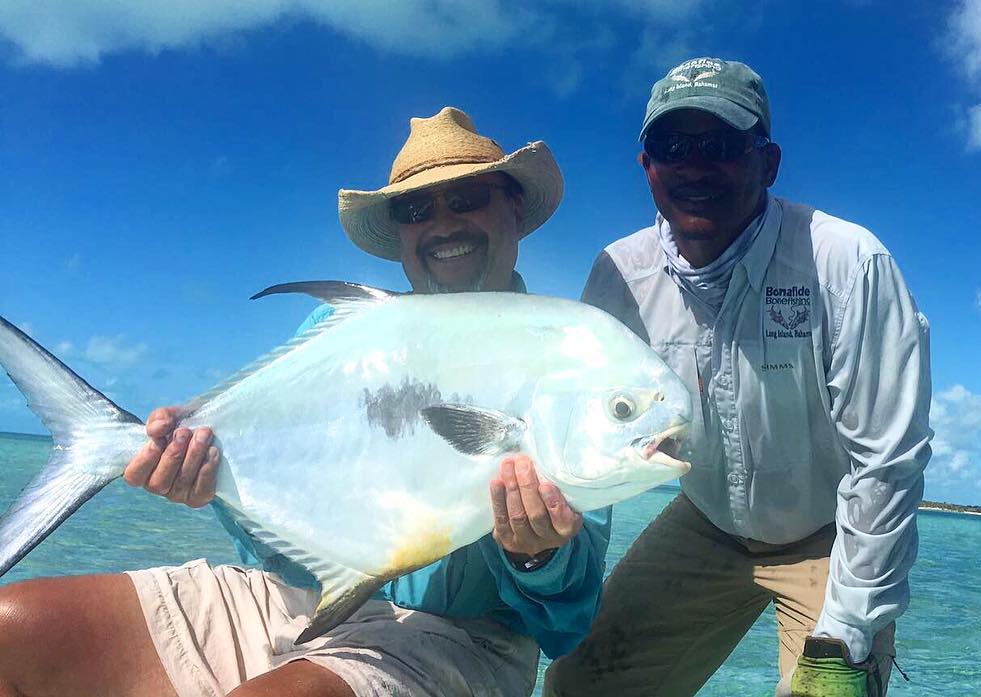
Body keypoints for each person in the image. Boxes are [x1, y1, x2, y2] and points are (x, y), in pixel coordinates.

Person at [0, 107, 610, 697]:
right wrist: (207, 480)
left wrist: (538, 557)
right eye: (418, 207)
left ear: (515, 206)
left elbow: (564, 625)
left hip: (460, 639)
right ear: (400, 232)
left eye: (468, 196)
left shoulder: (571, 358)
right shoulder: (338, 333)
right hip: (294, 601)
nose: (444, 223)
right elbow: (279, 555)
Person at [544, 58, 932, 697]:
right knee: (577, 685)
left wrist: (848, 632)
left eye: (720, 145)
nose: (694, 166)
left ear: (769, 163)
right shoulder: (618, 273)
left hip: (828, 532)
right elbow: (584, 435)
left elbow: (887, 463)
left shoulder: (847, 261)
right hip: (706, 522)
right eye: (673, 147)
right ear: (648, 168)